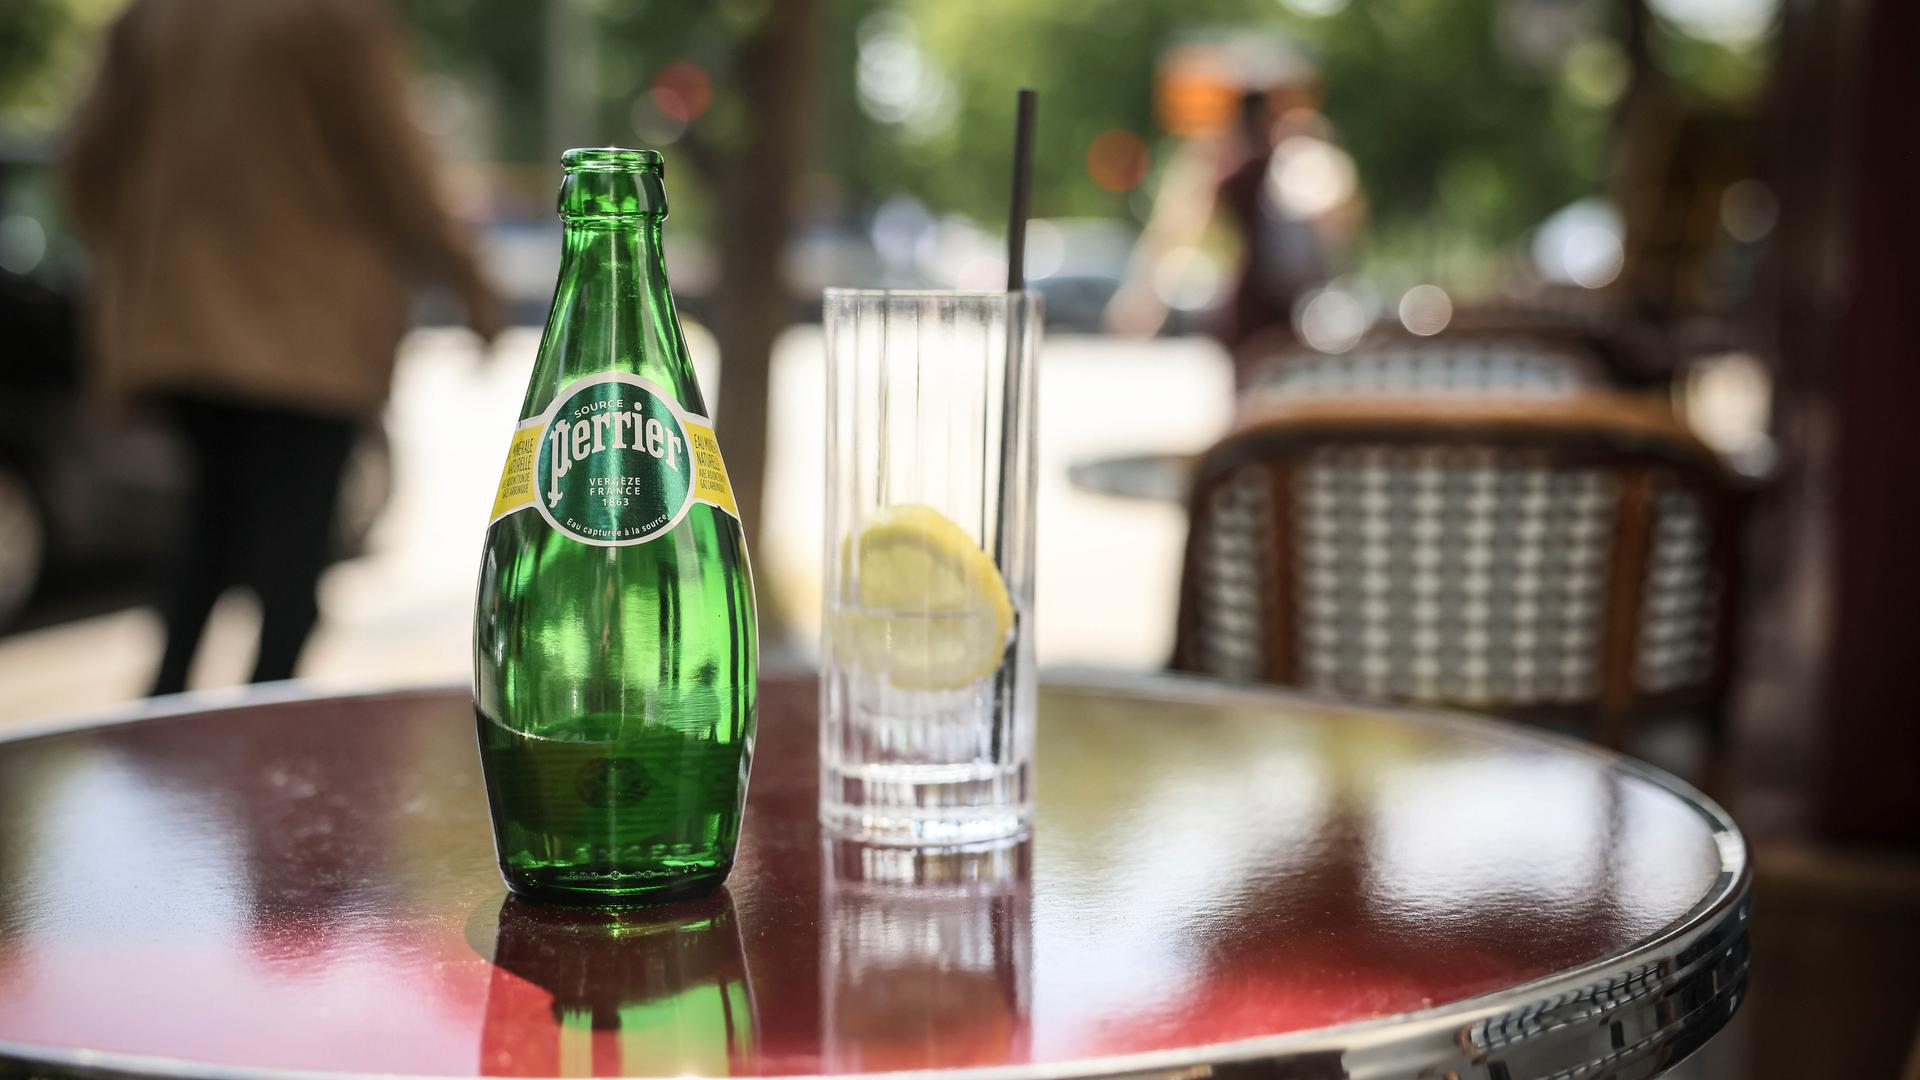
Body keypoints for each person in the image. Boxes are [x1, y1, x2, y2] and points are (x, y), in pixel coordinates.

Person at [59, 0, 502, 695]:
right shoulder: (332, 17)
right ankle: (260, 751)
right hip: (306, 336)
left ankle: (163, 728)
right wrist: (471, 282)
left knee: (206, 546)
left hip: (184, 327)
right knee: (291, 573)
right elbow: (400, 166)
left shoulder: (154, 17)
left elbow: (86, 168)